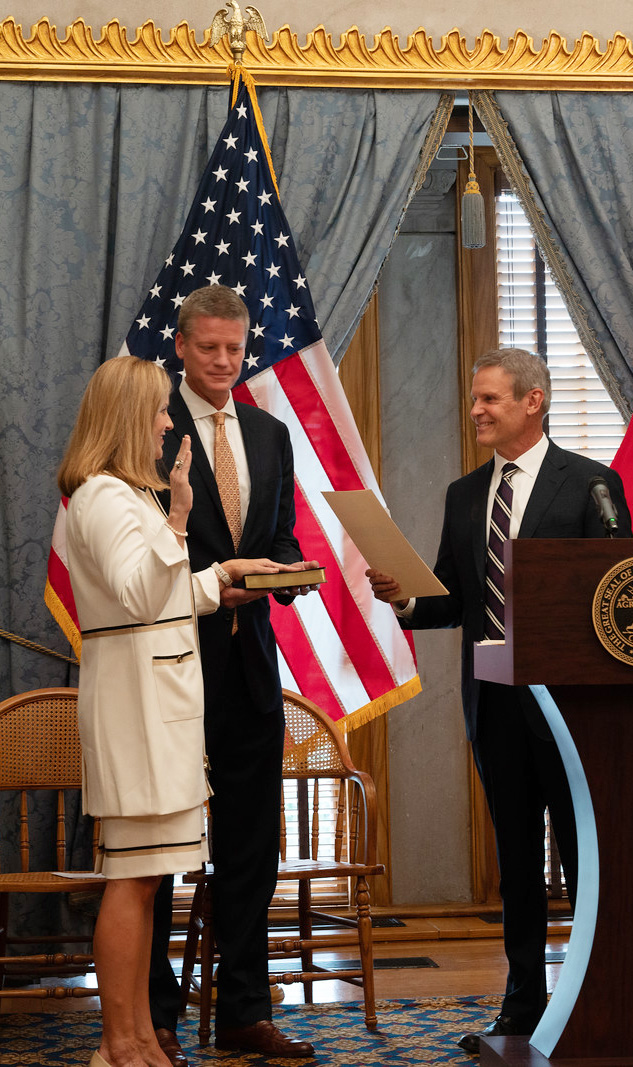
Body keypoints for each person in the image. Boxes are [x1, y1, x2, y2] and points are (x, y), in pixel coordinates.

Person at [367, 348, 632, 1055]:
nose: (477, 410)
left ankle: (598, 992)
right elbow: (453, 599)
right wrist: (403, 599)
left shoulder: (592, 486)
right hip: (493, 703)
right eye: (475, 398)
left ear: (533, 401)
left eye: (490, 399)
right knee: (515, 861)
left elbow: (618, 590)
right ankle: (522, 1006)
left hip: (572, 710)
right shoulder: (464, 494)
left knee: (585, 859)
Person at [148, 286, 319, 1064]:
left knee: (253, 845)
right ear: (179, 345)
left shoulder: (269, 432)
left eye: (235, 347)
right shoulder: (147, 428)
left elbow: (278, 535)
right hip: (170, 667)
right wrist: (221, 577)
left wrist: (291, 573)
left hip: (251, 663)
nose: (223, 361)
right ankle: (156, 1015)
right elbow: (142, 550)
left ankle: (245, 1008)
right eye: (209, 347)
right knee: (155, 848)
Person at [58, 356, 217, 1067]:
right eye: (157, 411)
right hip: (138, 712)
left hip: (155, 705)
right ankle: (119, 1043)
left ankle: (142, 1035)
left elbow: (159, 596)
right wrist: (181, 516)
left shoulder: (123, 495)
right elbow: (132, 590)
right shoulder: (103, 497)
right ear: (126, 418)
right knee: (132, 875)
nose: (165, 423)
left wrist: (224, 580)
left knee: (149, 874)